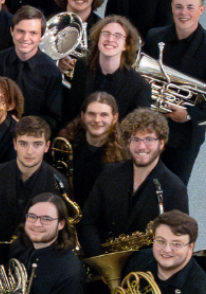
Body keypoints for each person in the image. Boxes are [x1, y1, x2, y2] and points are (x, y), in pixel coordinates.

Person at [145, 0, 206, 184]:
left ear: (201, 10)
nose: (183, 13)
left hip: (184, 137)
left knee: (172, 186)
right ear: (171, 7)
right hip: (151, 125)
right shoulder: (155, 36)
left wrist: (188, 114)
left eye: (190, 7)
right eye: (178, 6)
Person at [77, 109, 187, 256]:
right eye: (135, 139)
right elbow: (88, 222)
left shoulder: (175, 188)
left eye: (149, 139)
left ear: (161, 143)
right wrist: (101, 261)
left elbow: (177, 241)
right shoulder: (109, 173)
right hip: (101, 261)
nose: (141, 146)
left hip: (145, 268)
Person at [0, 116, 70, 244]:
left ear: (47, 146)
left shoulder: (58, 183)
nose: (29, 151)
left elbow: (57, 234)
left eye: (37, 144)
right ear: (15, 143)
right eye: (23, 143)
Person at [63, 15, 151, 127]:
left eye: (118, 36)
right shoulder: (82, 67)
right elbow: (73, 111)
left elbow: (138, 129)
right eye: (106, 34)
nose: (110, 39)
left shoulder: (139, 86)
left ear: (126, 45)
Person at [0, 7, 63, 128]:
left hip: (31, 136)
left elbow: (53, 118)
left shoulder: (52, 72)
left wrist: (23, 125)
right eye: (20, 31)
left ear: (41, 36)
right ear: (11, 31)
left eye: (33, 33)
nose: (25, 38)